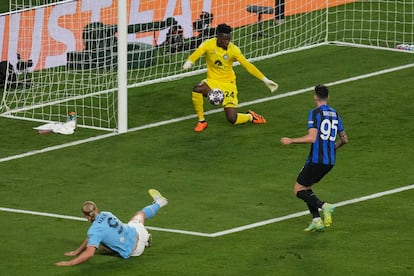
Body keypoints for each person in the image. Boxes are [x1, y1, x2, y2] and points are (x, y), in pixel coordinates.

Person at [182, 23, 278, 132]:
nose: (227, 42)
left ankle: (251, 116)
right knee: (197, 89)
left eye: (229, 39)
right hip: (212, 81)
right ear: (218, 37)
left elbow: (247, 65)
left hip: (228, 84)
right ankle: (202, 121)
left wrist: (265, 80)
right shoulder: (208, 44)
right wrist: (190, 61)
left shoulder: (234, 50)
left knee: (232, 119)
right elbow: (197, 53)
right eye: (224, 40)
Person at [280, 84, 348, 232]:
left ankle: (324, 206)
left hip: (316, 159)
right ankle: (316, 220)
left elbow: (312, 138)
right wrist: (332, 148)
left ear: (315, 97)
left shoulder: (315, 113)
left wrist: (291, 140)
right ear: (328, 97)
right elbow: (344, 139)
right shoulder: (336, 114)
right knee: (307, 187)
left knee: (298, 189)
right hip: (330, 161)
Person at [55, 189, 168, 266]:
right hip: (139, 233)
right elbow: (91, 237)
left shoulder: (93, 231)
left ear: (84, 216)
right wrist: (77, 251)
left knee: (101, 245)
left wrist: (70, 262)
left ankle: (146, 241)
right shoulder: (106, 213)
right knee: (140, 215)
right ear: (97, 209)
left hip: (135, 251)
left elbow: (89, 253)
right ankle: (159, 202)